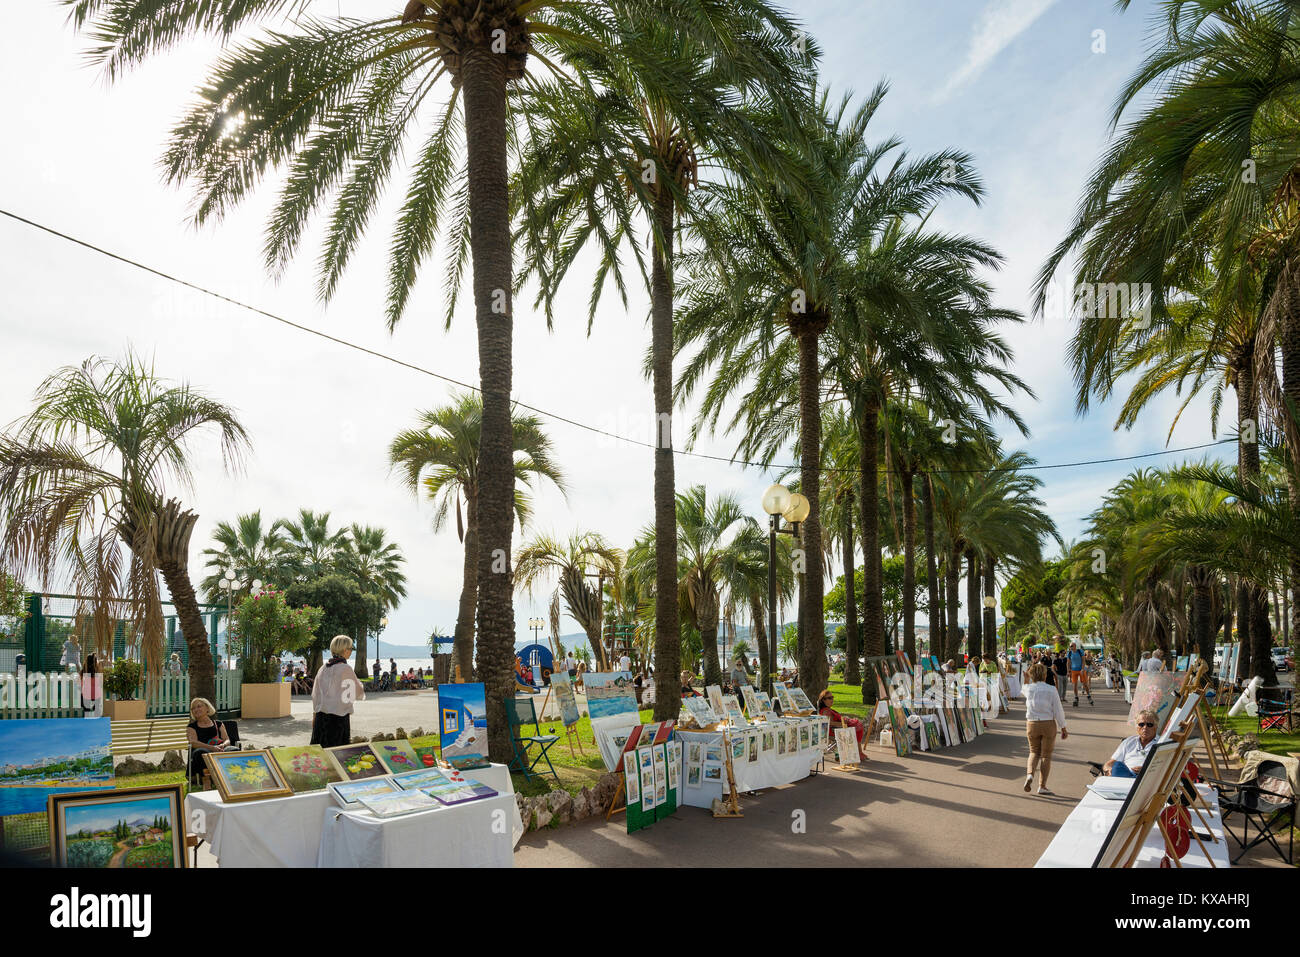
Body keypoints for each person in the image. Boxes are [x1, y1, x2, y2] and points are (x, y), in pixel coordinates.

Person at [311, 635, 366, 748]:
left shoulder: (323, 668)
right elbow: (357, 691)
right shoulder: (345, 668)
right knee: (338, 753)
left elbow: (316, 694)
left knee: (321, 754)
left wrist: (315, 714)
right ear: (344, 650)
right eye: (350, 648)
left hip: (321, 718)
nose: (351, 651)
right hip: (338, 718)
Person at [1022, 662, 1068, 795]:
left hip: (1031, 723)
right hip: (1048, 723)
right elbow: (1058, 709)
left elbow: (1023, 688)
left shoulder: (1028, 689)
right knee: (1046, 756)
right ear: (1044, 674)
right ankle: (1042, 786)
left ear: (1031, 675)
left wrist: (1026, 679)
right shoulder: (1051, 689)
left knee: (1033, 752)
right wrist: (1063, 726)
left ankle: (1030, 774)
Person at [186, 696, 230, 785]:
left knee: (233, 750)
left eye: (199, 706)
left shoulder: (218, 723)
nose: (196, 709)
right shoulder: (191, 727)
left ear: (207, 708)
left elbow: (227, 740)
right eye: (193, 708)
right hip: (203, 751)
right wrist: (212, 748)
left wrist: (223, 745)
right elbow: (193, 742)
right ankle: (207, 779)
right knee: (201, 752)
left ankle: (231, 778)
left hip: (220, 748)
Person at [1104, 709, 1160, 777]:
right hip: (1125, 775)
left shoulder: (1162, 743)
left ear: (1156, 726)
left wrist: (1146, 770)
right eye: (1141, 724)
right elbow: (1110, 763)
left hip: (1147, 778)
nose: (1145, 728)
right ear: (1137, 727)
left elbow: (1165, 768)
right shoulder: (1129, 741)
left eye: (1149, 725)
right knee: (1117, 765)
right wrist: (1108, 770)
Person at [817, 689, 868, 761]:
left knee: (857, 725)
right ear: (823, 700)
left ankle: (858, 752)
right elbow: (829, 723)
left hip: (838, 727)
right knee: (857, 726)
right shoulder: (826, 711)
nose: (832, 699)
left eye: (832, 697)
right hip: (834, 730)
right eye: (829, 698)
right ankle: (858, 752)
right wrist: (842, 724)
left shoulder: (827, 709)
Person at [1067, 641, 1092, 707]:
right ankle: (1076, 697)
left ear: (1075, 646)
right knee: (1074, 685)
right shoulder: (1069, 653)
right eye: (1070, 646)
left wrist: (1082, 668)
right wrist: (1068, 670)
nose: (1071, 647)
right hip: (1073, 670)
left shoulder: (1080, 651)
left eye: (1072, 646)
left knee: (1084, 684)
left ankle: (1088, 695)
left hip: (1081, 670)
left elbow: (1083, 660)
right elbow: (1068, 662)